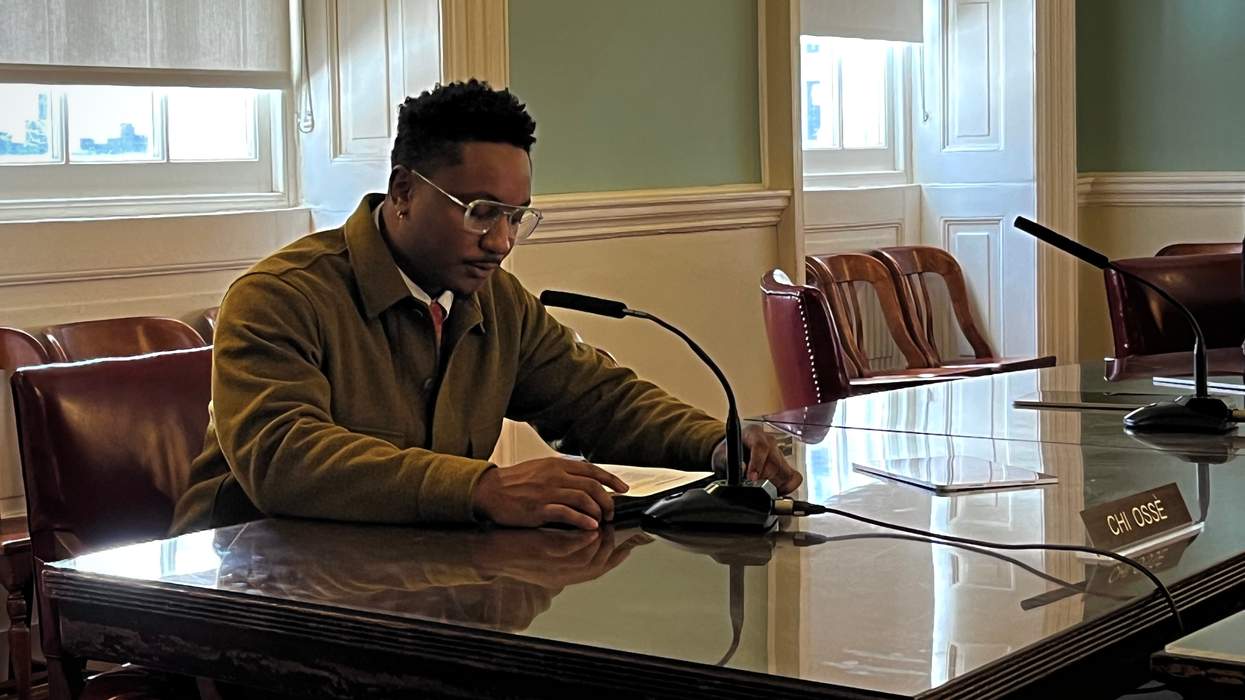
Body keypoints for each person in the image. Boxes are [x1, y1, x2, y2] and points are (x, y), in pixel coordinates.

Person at [171, 79, 800, 535]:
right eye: (480, 212)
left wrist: (719, 446)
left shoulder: (495, 300)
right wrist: (480, 487)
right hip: (248, 589)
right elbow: (283, 457)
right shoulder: (280, 296)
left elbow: (597, 400)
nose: (500, 242)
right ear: (404, 192)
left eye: (515, 217)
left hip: (407, 581)